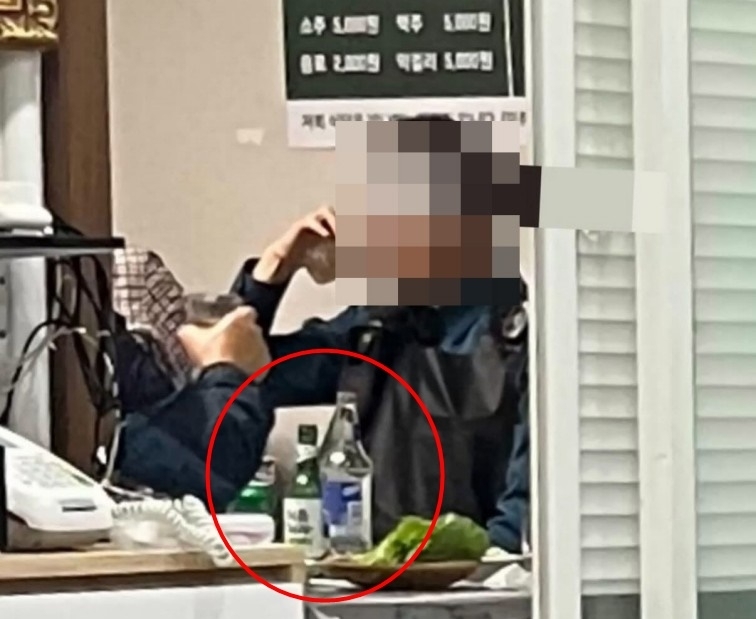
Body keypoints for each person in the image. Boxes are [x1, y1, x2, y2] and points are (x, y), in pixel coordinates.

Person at [116, 123, 530, 554]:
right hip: (367, 568)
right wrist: (274, 271)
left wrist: (481, 573)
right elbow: (250, 373)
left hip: (480, 576)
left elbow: (521, 515)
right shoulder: (376, 328)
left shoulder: (525, 338)